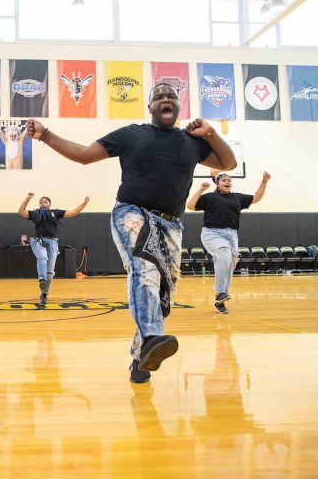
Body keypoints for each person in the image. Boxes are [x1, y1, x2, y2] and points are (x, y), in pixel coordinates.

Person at [25, 82, 237, 384]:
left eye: (171, 97)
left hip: (172, 224)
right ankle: (152, 336)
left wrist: (210, 132)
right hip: (132, 212)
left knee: (162, 300)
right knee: (143, 269)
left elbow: (228, 163)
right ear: (150, 106)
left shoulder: (191, 141)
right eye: (158, 97)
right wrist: (45, 135)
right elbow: (85, 154)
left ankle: (141, 356)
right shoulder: (131, 135)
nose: (165, 99)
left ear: (178, 107)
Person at [186, 170, 271, 314]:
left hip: (232, 234)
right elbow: (190, 205)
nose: (227, 182)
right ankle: (220, 291)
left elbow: (256, 198)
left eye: (229, 180)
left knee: (230, 263)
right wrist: (200, 189)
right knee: (224, 254)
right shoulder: (210, 197)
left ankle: (220, 300)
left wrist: (264, 181)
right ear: (217, 183)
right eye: (224, 180)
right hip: (212, 233)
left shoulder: (237, 197)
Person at [18, 192, 89, 304]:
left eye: (45, 202)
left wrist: (84, 203)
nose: (43, 203)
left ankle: (44, 293)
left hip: (52, 242)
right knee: (42, 257)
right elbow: (21, 211)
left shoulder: (55, 213)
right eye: (41, 202)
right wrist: (27, 198)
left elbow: (74, 212)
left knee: (50, 272)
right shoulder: (35, 213)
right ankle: (42, 279)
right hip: (38, 240)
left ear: (49, 204)